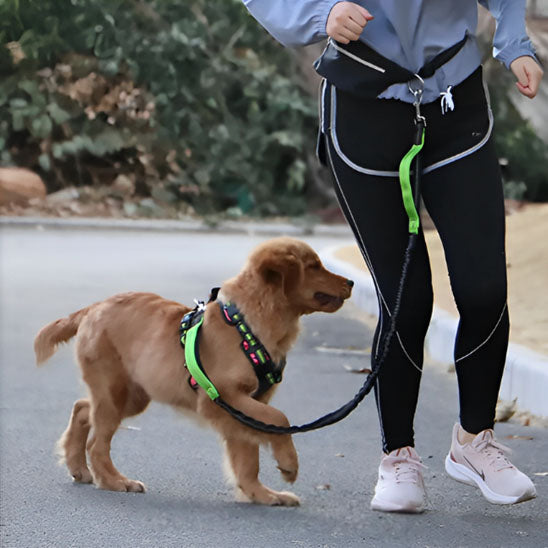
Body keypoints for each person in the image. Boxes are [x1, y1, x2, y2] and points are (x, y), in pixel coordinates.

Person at [241, 0, 544, 513]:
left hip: (453, 98)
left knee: (485, 286)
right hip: (365, 105)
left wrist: (513, 43)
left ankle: (475, 441)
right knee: (406, 298)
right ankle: (397, 457)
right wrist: (322, 14)